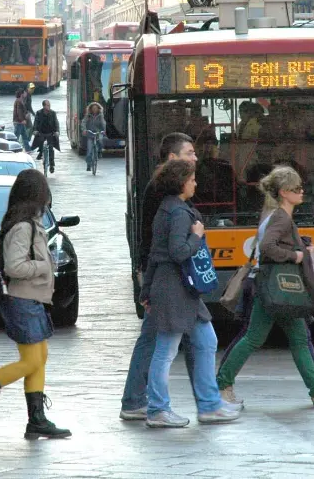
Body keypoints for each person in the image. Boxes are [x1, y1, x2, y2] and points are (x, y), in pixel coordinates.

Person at [215, 166, 314, 410]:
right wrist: (295, 256)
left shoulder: (275, 215)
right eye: (298, 189)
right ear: (285, 192)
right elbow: (268, 247)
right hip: (274, 290)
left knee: (297, 338)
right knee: (254, 338)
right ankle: (222, 385)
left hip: (275, 289)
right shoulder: (280, 217)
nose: (302, 192)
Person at [0, 170, 71, 439]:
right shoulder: (22, 227)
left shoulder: (30, 223)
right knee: (31, 361)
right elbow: (15, 266)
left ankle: (37, 419)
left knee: (38, 359)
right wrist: (45, 265)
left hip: (32, 299)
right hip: (22, 300)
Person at [137, 160, 240, 428]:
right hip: (175, 290)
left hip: (176, 289)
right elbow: (177, 252)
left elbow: (154, 254)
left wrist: (146, 290)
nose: (195, 183)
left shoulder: (167, 209)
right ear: (182, 182)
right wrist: (196, 236)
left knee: (206, 340)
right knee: (166, 350)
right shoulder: (180, 214)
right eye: (192, 179)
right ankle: (158, 409)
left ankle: (209, 405)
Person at [120, 133, 202, 420]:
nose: (195, 158)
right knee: (159, 340)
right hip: (166, 277)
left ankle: (209, 399)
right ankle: (140, 402)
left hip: (164, 275)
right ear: (172, 158)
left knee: (195, 339)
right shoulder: (165, 194)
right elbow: (160, 242)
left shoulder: (167, 192)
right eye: (189, 153)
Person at [31, 100, 61, 174]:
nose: (49, 106)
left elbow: (56, 123)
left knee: (51, 148)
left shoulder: (53, 113)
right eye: (47, 105)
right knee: (40, 141)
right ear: (44, 106)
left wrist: (57, 131)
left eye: (49, 105)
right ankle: (41, 152)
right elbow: (36, 123)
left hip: (50, 133)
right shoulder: (38, 113)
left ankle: (51, 165)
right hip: (41, 132)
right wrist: (34, 130)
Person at [81, 102, 107, 170]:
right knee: (89, 150)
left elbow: (103, 123)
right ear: (91, 109)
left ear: (98, 109)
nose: (94, 110)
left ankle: (99, 152)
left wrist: (104, 130)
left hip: (98, 133)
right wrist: (84, 130)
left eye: (96, 108)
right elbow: (83, 122)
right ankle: (88, 164)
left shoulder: (100, 115)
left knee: (101, 140)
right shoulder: (88, 115)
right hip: (90, 133)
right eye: (93, 108)